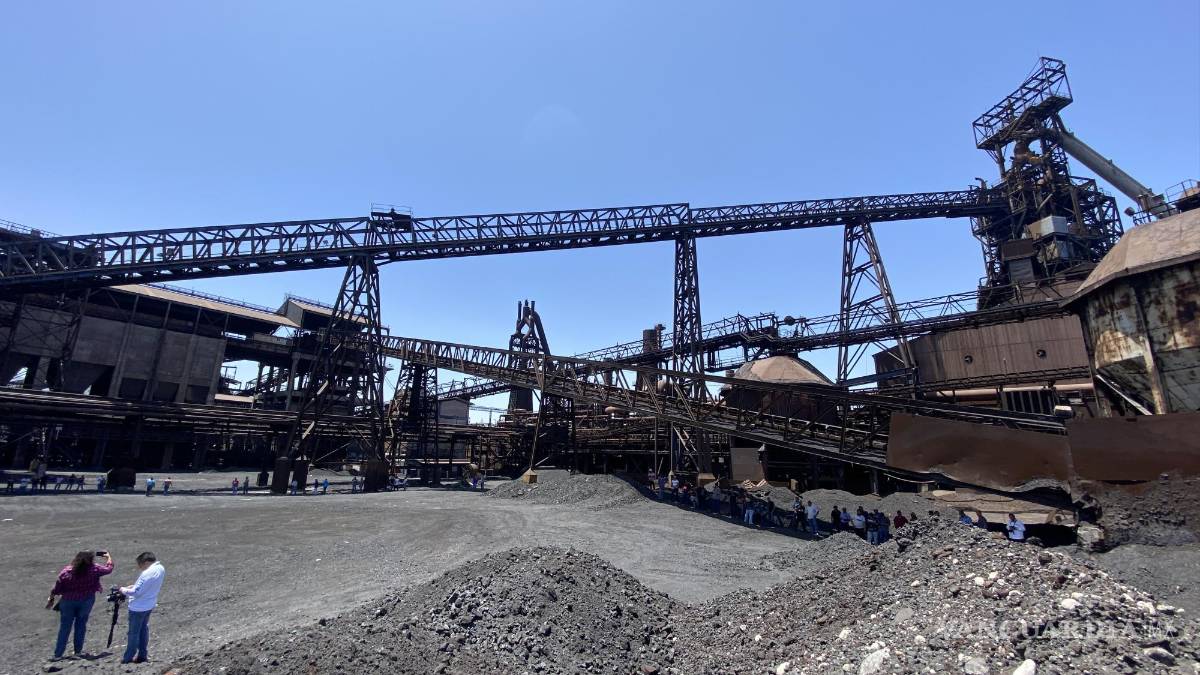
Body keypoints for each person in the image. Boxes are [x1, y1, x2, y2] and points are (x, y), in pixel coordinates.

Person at [47, 550, 114, 660]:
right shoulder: (95, 569)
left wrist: (51, 599)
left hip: (68, 602)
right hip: (86, 601)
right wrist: (108, 557)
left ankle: (58, 654)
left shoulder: (67, 571)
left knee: (65, 627)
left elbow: (56, 588)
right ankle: (78, 652)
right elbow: (109, 569)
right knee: (81, 625)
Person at [119, 552, 166, 664]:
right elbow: (145, 586)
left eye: (140, 564)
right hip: (149, 604)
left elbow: (135, 592)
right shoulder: (160, 568)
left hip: (138, 607)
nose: (139, 567)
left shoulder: (147, 573)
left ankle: (128, 657)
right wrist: (134, 587)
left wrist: (122, 590)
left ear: (145, 562)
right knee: (143, 630)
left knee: (133, 633)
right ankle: (142, 655)